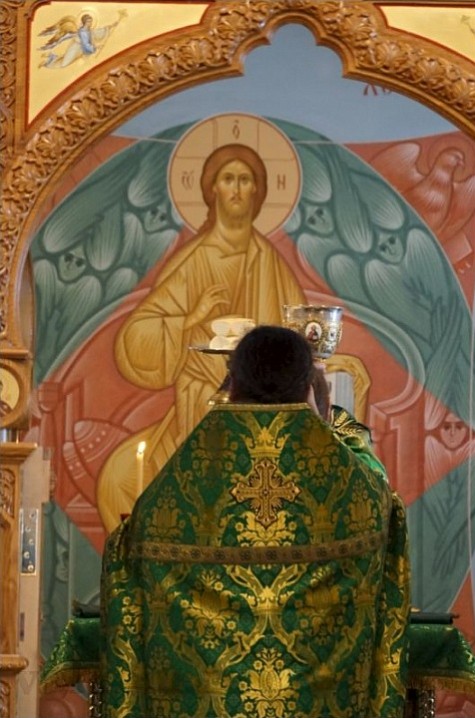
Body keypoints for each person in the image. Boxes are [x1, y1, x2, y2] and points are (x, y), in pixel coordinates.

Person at [100, 326, 410, 718]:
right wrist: (325, 424)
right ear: (309, 389)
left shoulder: (176, 490)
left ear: (232, 386)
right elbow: (387, 518)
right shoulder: (358, 492)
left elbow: (127, 566)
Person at [97, 144, 305, 533]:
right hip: (199, 408)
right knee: (123, 484)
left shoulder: (271, 264)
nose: (237, 189)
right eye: (228, 179)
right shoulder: (194, 261)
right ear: (212, 190)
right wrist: (188, 320)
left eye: (246, 180)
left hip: (266, 415)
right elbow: (139, 334)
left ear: (259, 191)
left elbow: (300, 342)